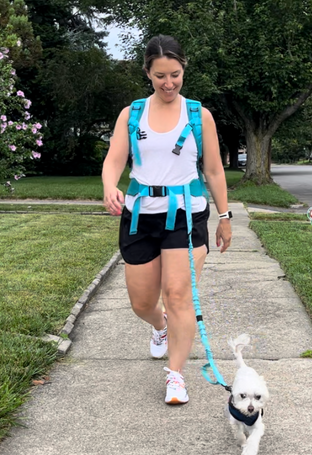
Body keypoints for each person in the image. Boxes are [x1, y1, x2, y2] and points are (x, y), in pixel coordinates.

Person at [101, 34, 232, 405]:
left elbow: (214, 169)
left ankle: (176, 375)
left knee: (178, 296)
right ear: (147, 72)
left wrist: (224, 217)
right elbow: (114, 158)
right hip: (141, 215)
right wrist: (111, 186)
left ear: (183, 68)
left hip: (186, 216)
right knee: (143, 302)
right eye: (160, 76)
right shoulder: (132, 114)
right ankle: (159, 328)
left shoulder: (198, 115)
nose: (169, 83)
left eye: (175, 74)